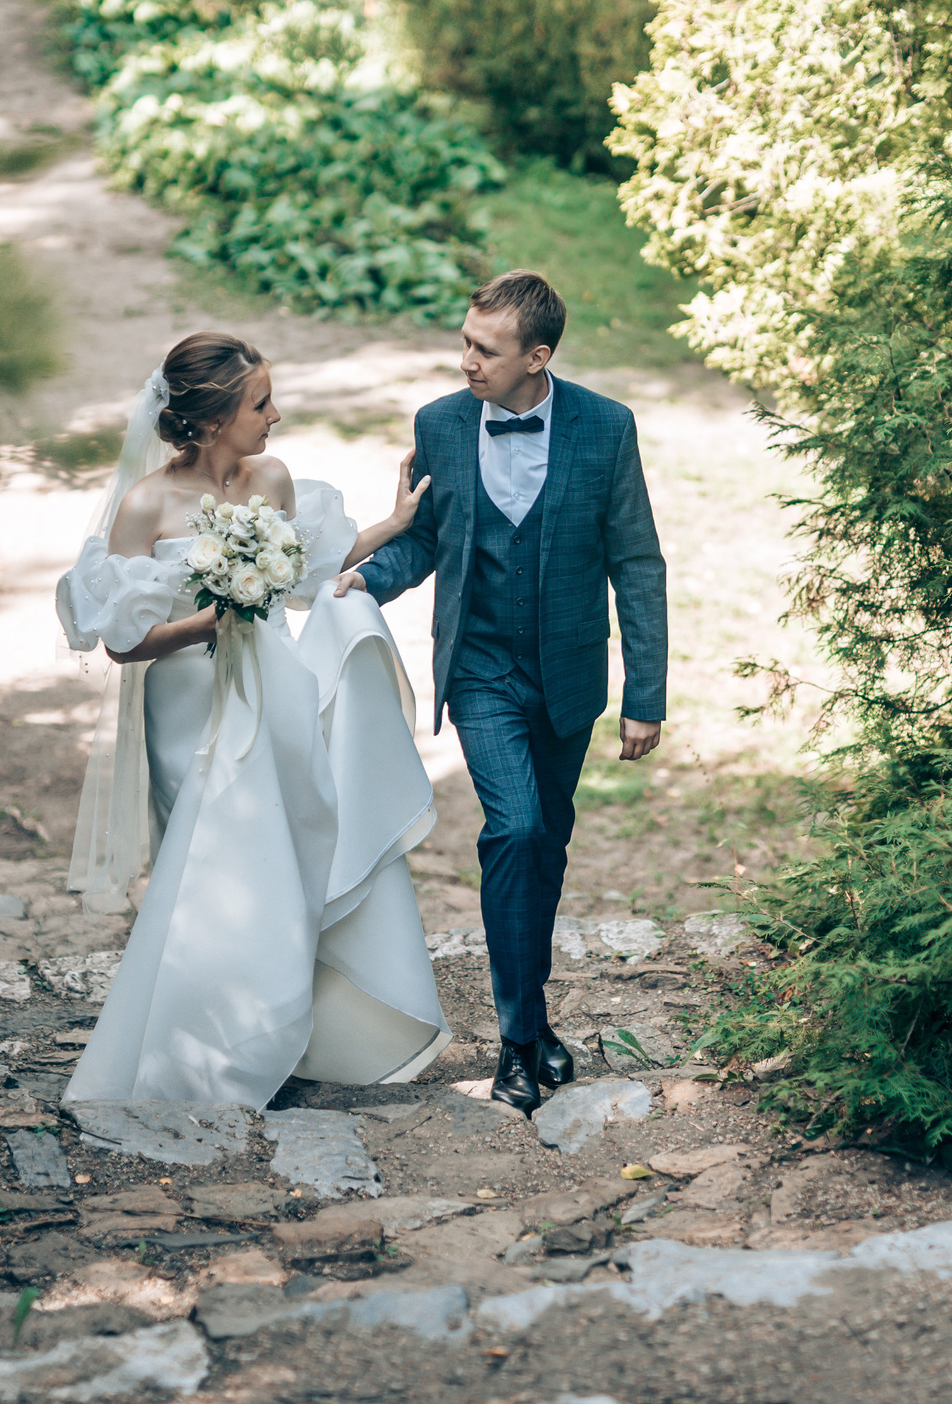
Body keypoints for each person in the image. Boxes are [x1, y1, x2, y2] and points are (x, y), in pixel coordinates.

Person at [54, 332, 451, 1106]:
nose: (275, 415)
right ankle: (200, 1049)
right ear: (208, 420)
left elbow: (310, 568)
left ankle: (278, 1030)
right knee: (208, 870)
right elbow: (123, 640)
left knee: (281, 853)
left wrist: (396, 524)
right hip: (185, 703)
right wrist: (210, 624)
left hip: (270, 688)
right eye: (260, 403)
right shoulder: (145, 506)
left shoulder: (270, 478)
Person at [333, 271, 669, 1114]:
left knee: (547, 843)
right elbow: (428, 545)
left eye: (485, 349)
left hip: (568, 679)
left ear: (537, 356)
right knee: (514, 829)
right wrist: (365, 580)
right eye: (465, 342)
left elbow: (636, 562)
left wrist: (646, 693)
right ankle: (518, 1040)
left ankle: (535, 1012)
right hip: (480, 670)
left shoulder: (606, 427)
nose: (467, 361)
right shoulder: (441, 424)